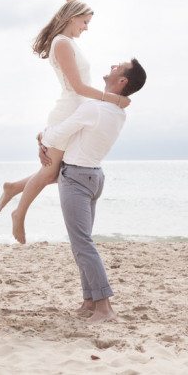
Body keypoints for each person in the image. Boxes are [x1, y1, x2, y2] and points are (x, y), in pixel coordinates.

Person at [0, 0, 129, 244]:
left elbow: (72, 1)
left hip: (77, 110)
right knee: (50, 173)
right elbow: (79, 88)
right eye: (85, 22)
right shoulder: (62, 44)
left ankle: (13, 187)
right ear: (73, 19)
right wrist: (115, 100)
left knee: (61, 172)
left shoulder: (67, 39)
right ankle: (19, 213)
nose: (86, 28)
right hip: (69, 109)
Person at [40, 58, 146, 323]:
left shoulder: (94, 108)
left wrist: (42, 136)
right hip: (94, 176)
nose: (111, 66)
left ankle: (104, 308)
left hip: (76, 177)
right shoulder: (118, 111)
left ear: (122, 80)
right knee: (82, 242)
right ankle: (89, 300)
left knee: (83, 244)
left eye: (117, 67)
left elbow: (55, 136)